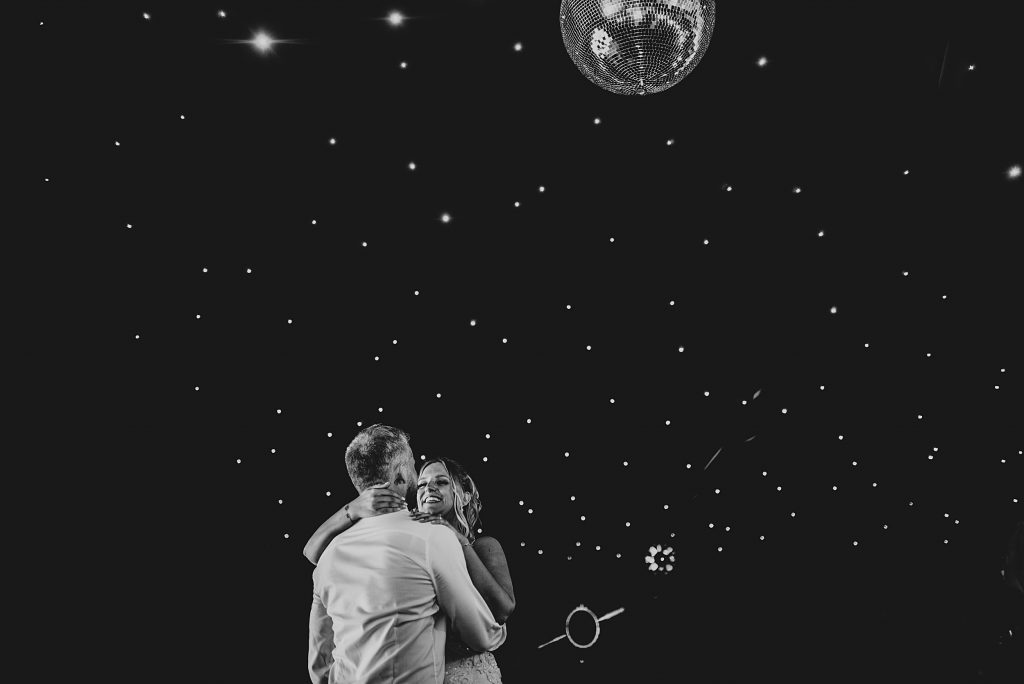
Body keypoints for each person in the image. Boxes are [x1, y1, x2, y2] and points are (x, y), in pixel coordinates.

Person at [308, 424, 511, 684]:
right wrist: (496, 634)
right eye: (418, 473)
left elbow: (320, 662)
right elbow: (482, 635)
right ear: (402, 474)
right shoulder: (430, 539)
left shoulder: (330, 554)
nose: (426, 487)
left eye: (441, 482)